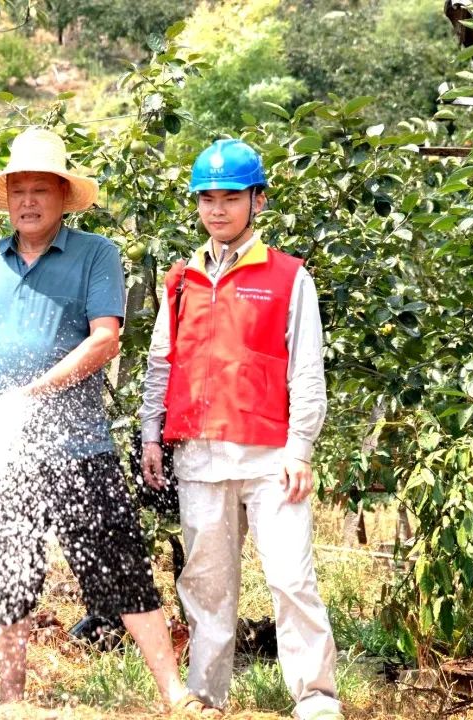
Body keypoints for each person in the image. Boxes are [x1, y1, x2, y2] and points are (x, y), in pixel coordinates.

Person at [0, 127, 199, 711]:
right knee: (11, 579)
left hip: (79, 448)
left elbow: (105, 340)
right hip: (4, 456)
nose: (28, 201)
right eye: (18, 190)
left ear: (63, 197)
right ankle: (11, 698)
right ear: (6, 198)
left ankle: (173, 693)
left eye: (41, 190)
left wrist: (31, 392)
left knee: (122, 567)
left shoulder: (95, 255)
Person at [139, 138, 342, 720]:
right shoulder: (181, 280)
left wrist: (300, 448)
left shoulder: (287, 277)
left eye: (231, 198)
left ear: (258, 200)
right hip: (199, 458)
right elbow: (161, 362)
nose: (218, 210)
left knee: (290, 579)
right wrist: (152, 433)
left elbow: (306, 368)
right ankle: (205, 696)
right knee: (205, 586)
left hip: (270, 458)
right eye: (208, 199)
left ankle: (317, 698)